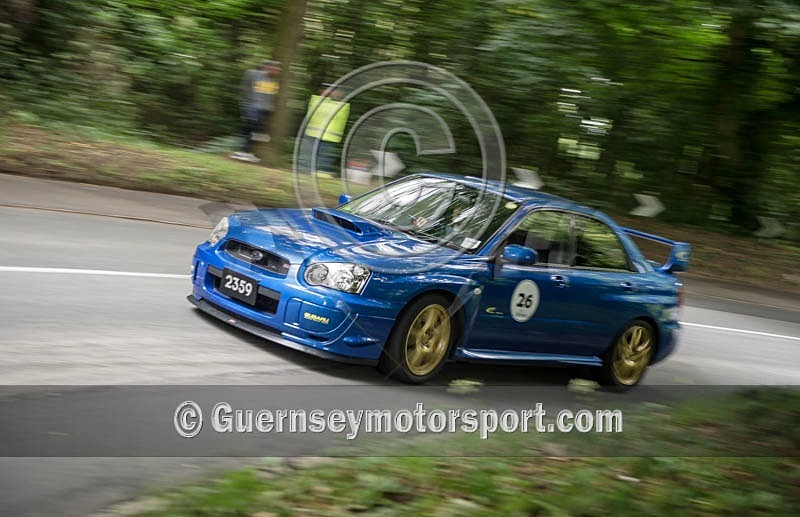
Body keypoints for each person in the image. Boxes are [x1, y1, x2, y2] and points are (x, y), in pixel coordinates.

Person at [231, 60, 281, 163]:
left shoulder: (274, 81)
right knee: (252, 126)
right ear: (268, 68)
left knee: (257, 131)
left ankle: (247, 152)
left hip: (264, 110)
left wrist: (270, 108)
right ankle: (246, 152)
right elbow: (245, 89)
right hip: (251, 106)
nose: (277, 73)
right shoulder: (252, 74)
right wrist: (246, 103)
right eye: (275, 70)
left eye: (278, 71)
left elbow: (271, 96)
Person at [298, 85, 350, 175]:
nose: (336, 93)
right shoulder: (316, 101)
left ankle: (320, 173)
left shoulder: (343, 106)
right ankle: (305, 171)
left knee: (324, 157)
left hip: (329, 137)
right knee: (309, 155)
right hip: (314, 134)